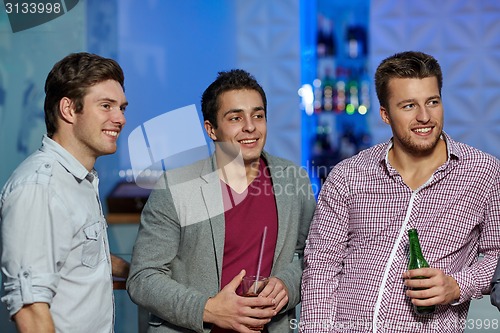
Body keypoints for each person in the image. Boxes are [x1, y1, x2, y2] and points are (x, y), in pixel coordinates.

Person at [300, 51, 500, 333]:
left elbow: (497, 256)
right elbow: (321, 265)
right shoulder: (348, 175)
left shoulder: (484, 173)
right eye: (408, 106)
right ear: (385, 114)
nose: (424, 117)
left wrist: (457, 286)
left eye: (433, 102)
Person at [127, 69, 316, 333]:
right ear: (211, 129)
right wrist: (208, 309)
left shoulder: (293, 180)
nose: (250, 126)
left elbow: (314, 256)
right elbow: (143, 278)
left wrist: (287, 284)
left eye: (258, 115)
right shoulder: (176, 186)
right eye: (235, 118)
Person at [0, 52, 130, 332]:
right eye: (106, 106)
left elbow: (79, 257)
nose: (120, 118)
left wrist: (143, 275)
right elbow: (31, 310)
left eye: (122, 107)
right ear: (69, 110)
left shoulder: (78, 180)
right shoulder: (40, 187)